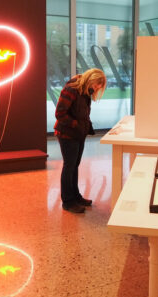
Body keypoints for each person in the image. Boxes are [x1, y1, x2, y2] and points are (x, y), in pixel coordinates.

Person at [54, 68, 107, 213]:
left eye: (98, 87)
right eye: (96, 84)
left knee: (74, 166)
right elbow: (60, 113)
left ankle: (76, 196)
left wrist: (84, 126)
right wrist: (76, 125)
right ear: (90, 78)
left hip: (78, 134)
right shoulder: (72, 89)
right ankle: (68, 201)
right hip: (67, 134)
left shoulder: (85, 91)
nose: (96, 88)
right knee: (69, 166)